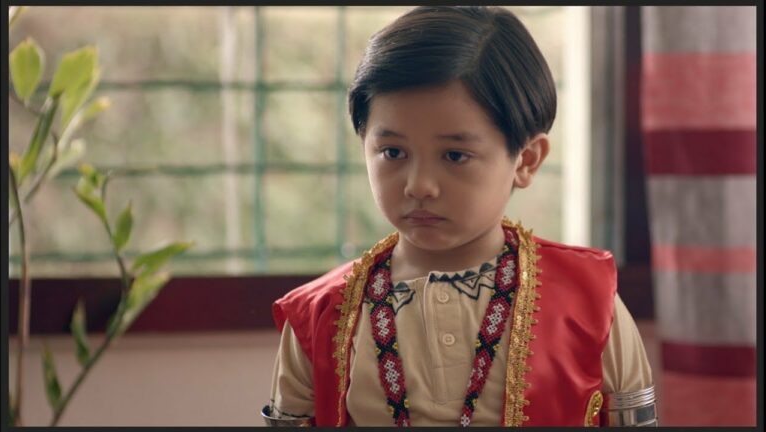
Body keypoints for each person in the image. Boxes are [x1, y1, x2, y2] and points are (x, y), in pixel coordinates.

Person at [262, 6, 656, 427]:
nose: (419, 185)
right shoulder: (319, 314)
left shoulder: (590, 302)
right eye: (393, 152)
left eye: (454, 155)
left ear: (526, 160)